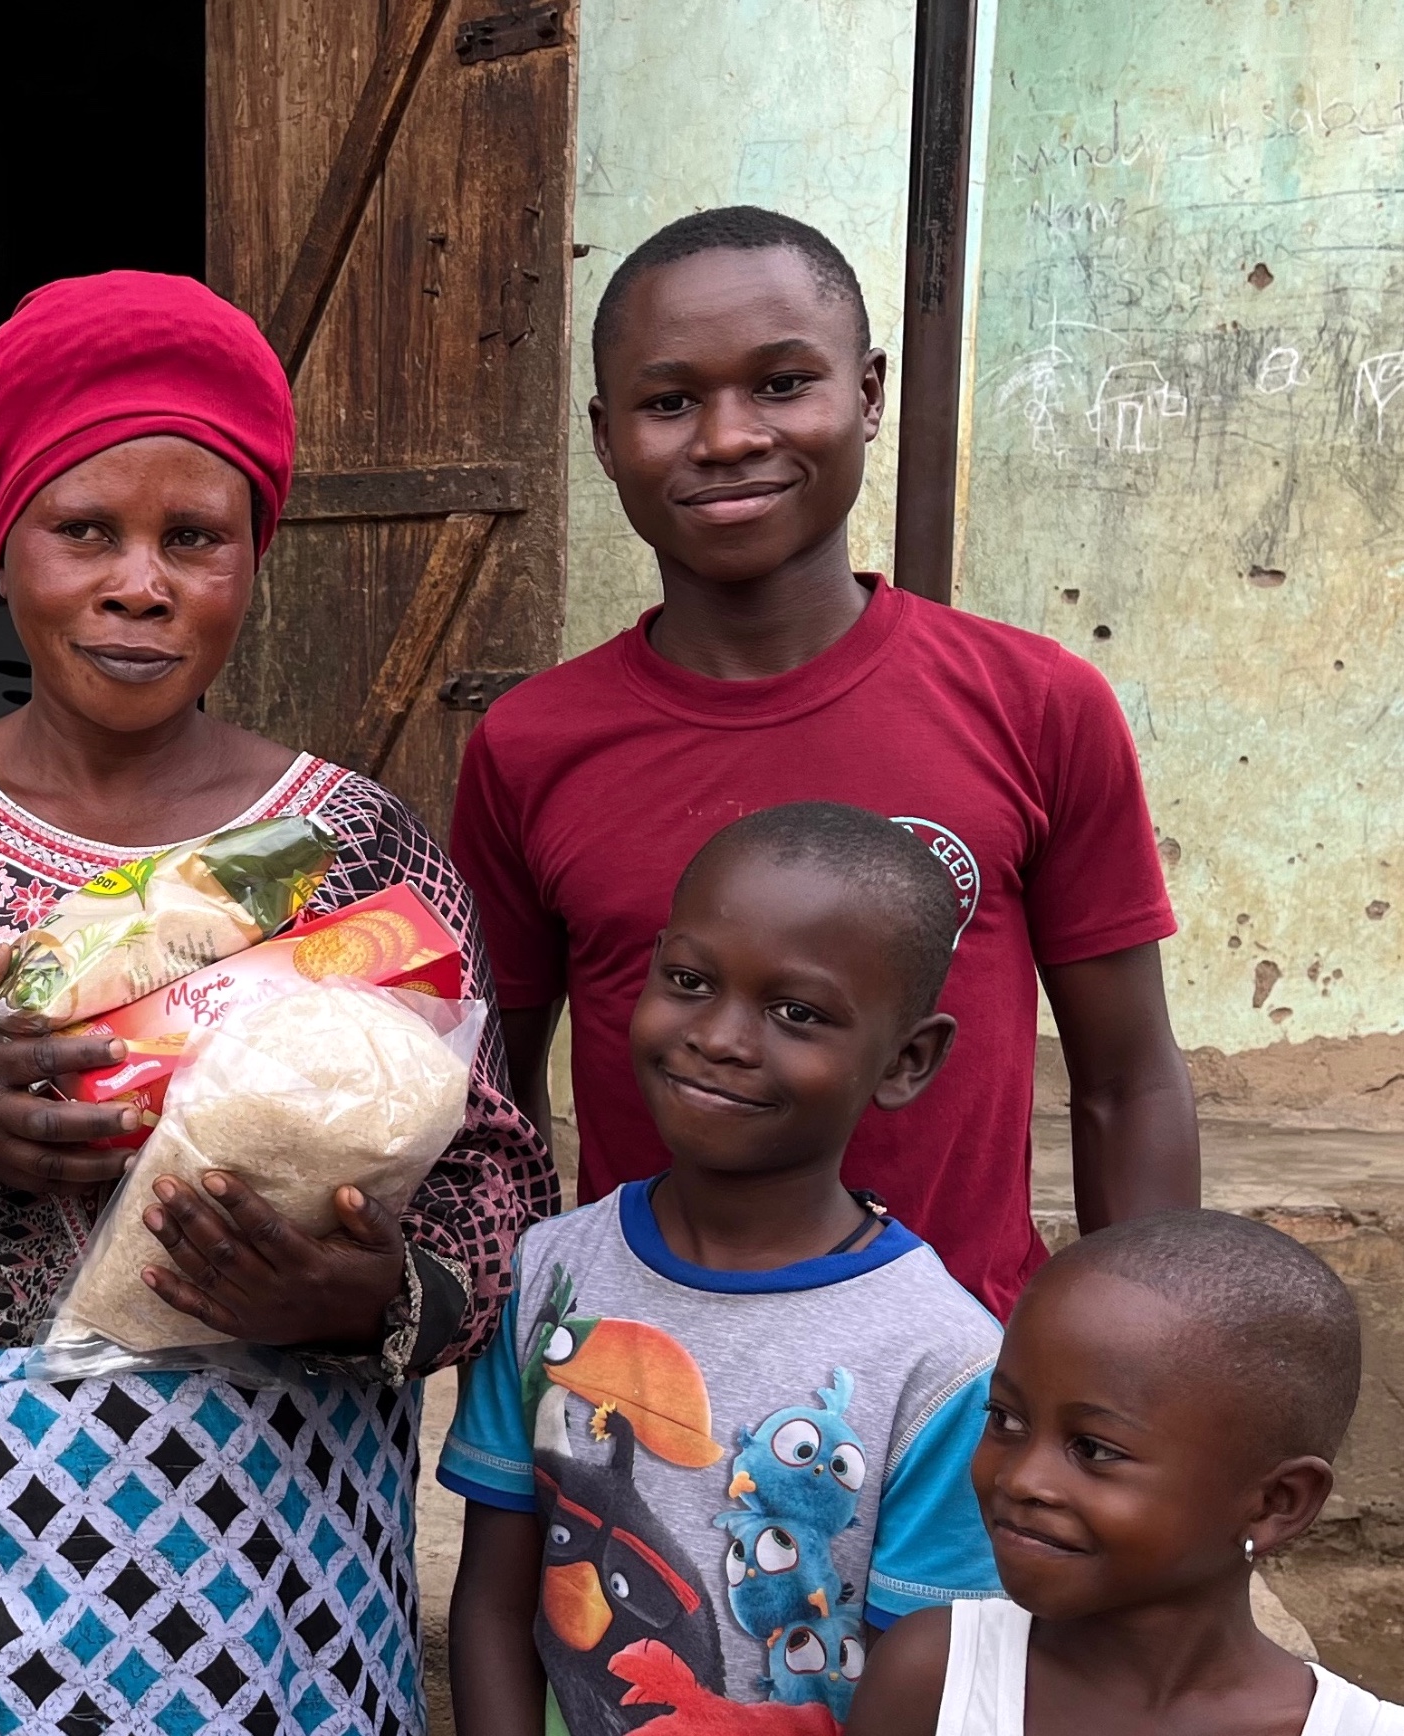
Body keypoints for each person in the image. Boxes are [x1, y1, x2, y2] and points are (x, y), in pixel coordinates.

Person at [0, 268, 558, 1736]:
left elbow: (498, 1192)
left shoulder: (348, 848)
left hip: (275, 1545)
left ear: (251, 557)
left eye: (193, 539)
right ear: (5, 545)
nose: (138, 581)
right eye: (83, 529)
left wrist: (372, 1299)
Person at [450, 205, 1198, 1321]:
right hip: (640, 1394)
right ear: (606, 439)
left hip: (959, 1403)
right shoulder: (530, 746)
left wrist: (1142, 1375)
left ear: (868, 394)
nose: (725, 436)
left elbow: (1126, 1084)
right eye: (667, 402)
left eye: (781, 382)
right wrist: (518, 1357)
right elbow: (489, 1102)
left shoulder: (1033, 706)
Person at [444, 803, 1004, 1736]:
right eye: (690, 980)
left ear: (907, 1060)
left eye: (797, 1012)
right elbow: (494, 1606)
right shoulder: (551, 1277)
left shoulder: (943, 1362)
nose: (721, 1037)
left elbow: (928, 1692)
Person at [846, 1210, 1402, 1735]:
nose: (1021, 1480)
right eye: (1006, 1420)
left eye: (1094, 1449)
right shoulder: (936, 1680)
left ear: (1277, 1502)